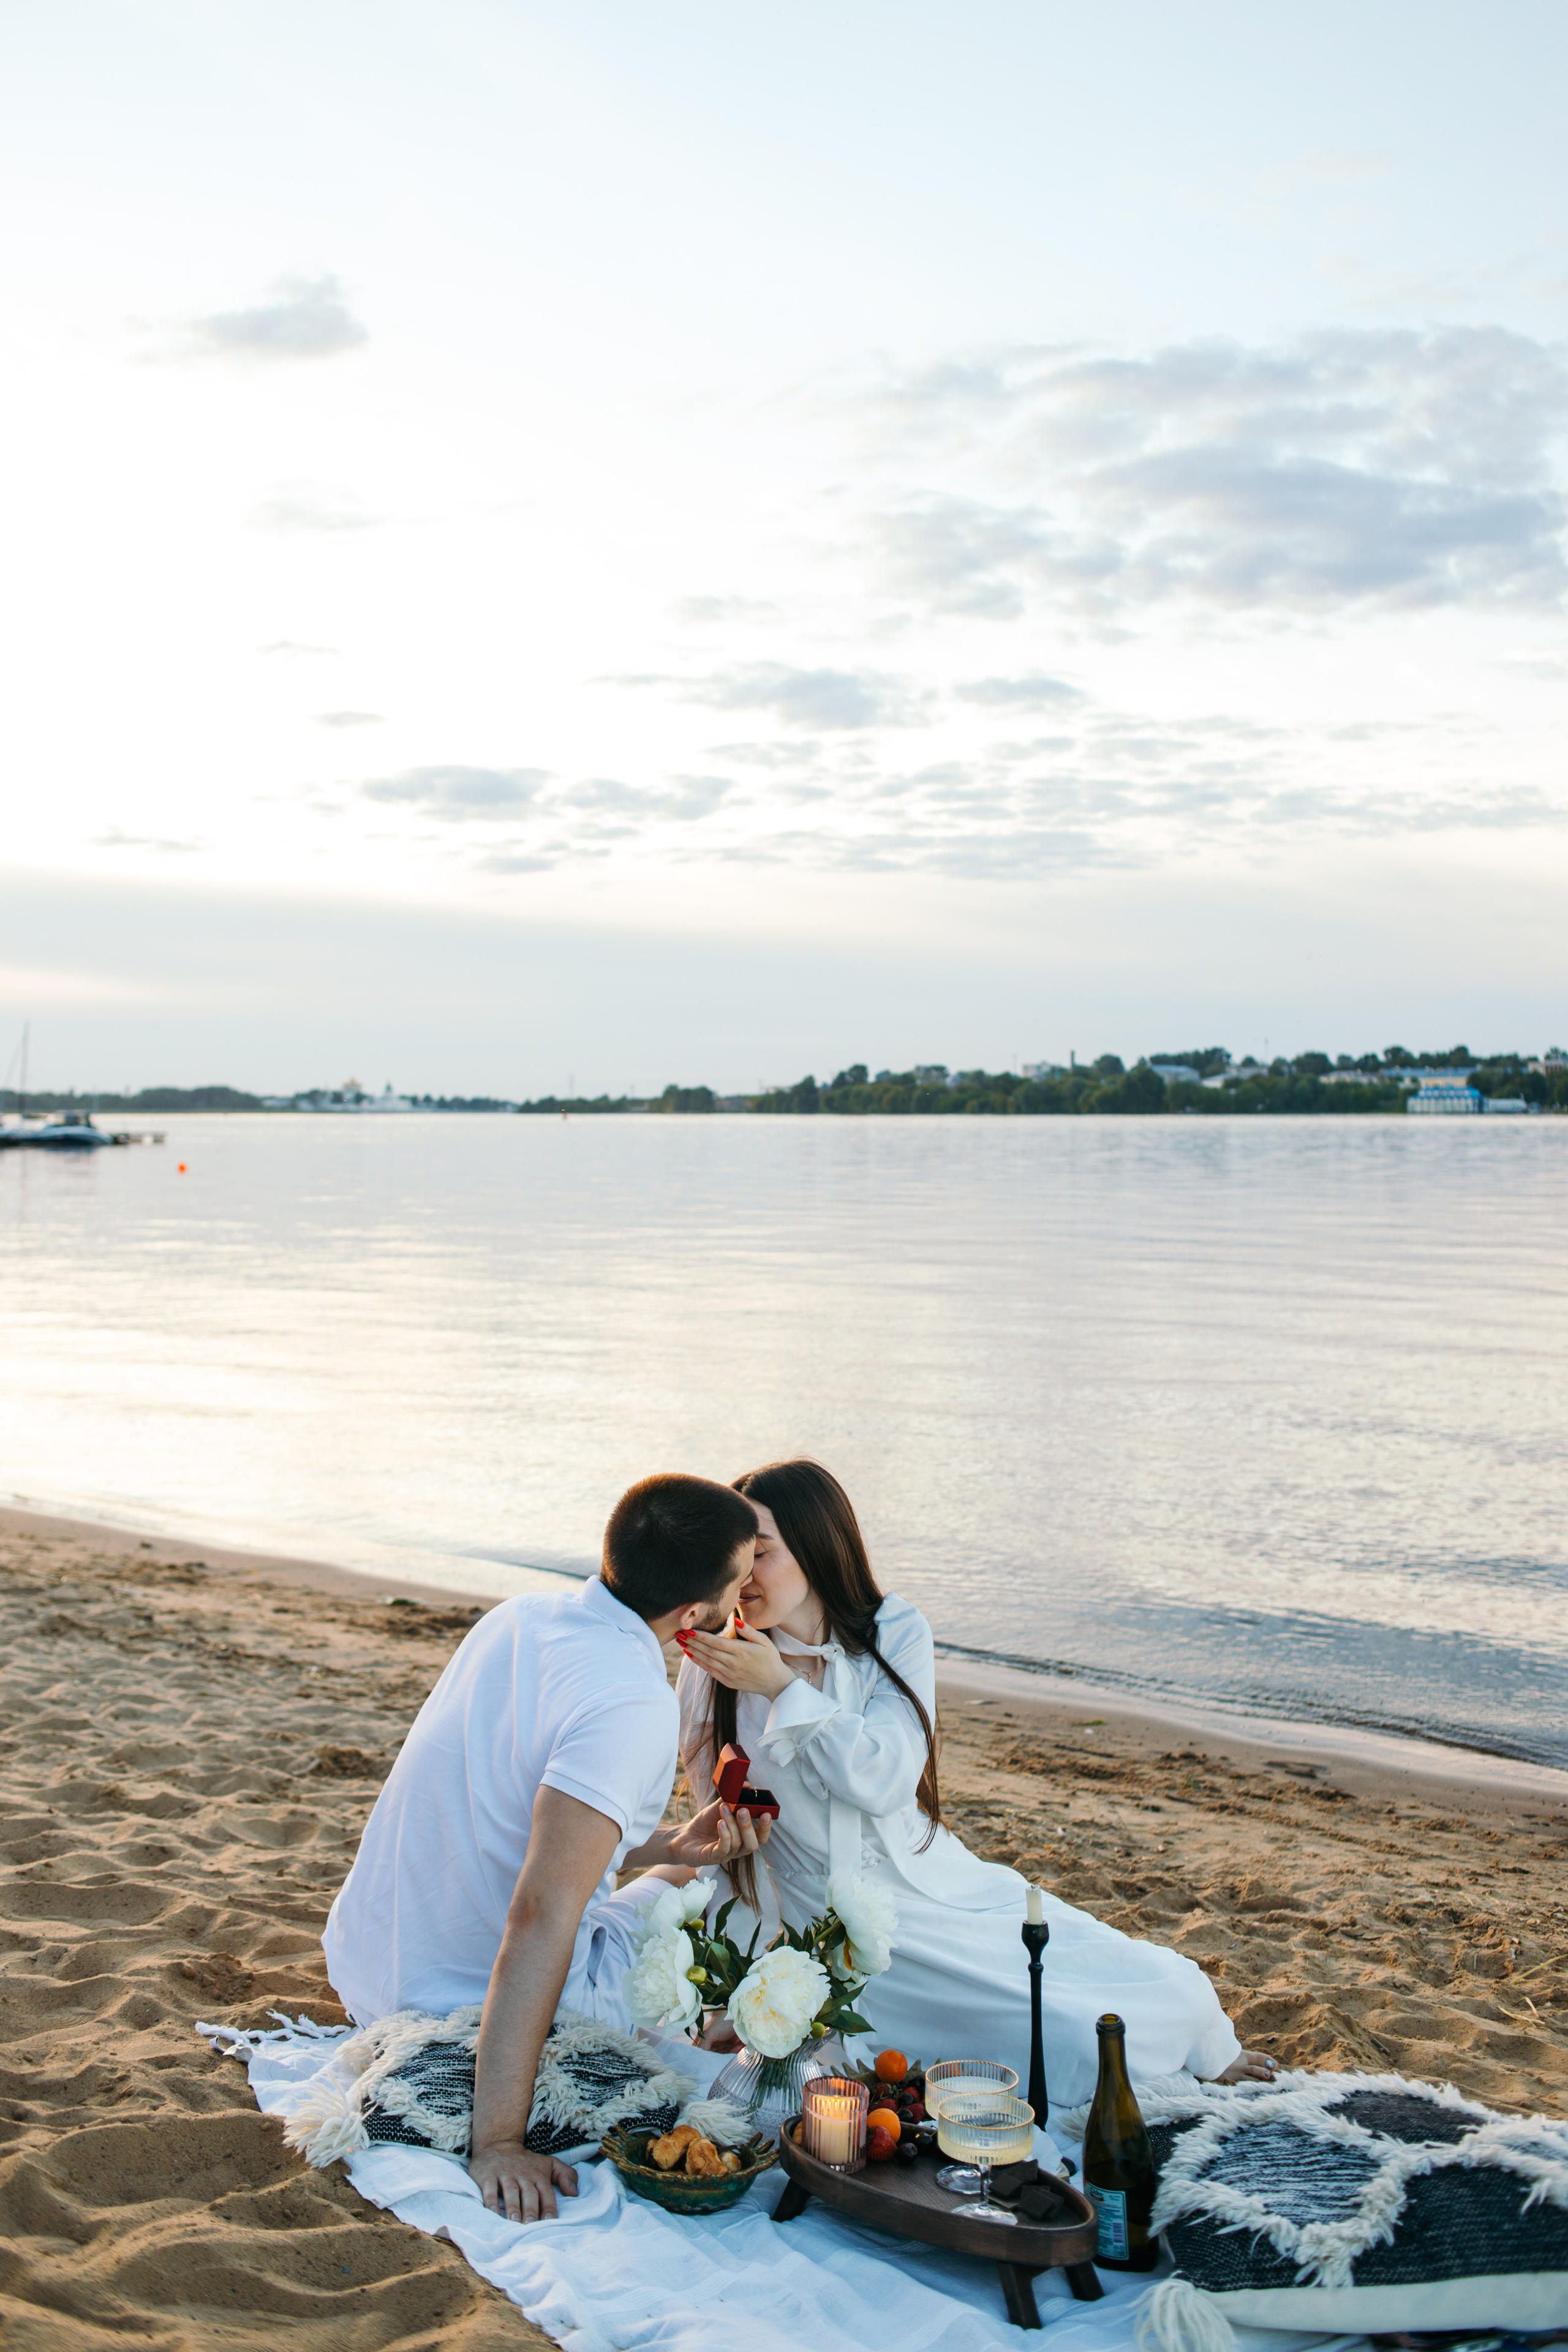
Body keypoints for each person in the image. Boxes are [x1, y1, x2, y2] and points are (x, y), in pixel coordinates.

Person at [676, 1459, 1277, 2109]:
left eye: (759, 1555)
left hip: (925, 1891)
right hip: (804, 1921)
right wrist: (749, 1974)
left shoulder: (892, 1632)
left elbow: (884, 1779)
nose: (740, 1580)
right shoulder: (712, 1667)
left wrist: (784, 1688)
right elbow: (718, 1821)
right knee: (1068, 2045)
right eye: (733, 1561)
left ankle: (1208, 2047)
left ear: (817, 1549)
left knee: (1161, 1996)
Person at [323, 1472, 771, 2225]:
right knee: (706, 1907)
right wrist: (496, 2140)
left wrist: (669, 1843)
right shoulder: (632, 1701)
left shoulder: (519, 1619)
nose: (749, 1585)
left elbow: (517, 1830)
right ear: (694, 1613)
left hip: (373, 1959)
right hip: (460, 2001)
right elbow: (541, 1912)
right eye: (741, 1575)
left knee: (679, 1870)